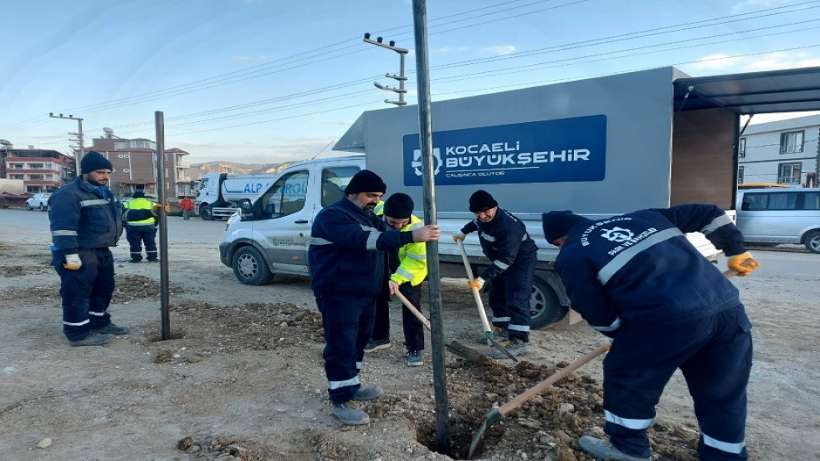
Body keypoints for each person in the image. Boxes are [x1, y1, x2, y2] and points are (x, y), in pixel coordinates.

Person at [542, 205, 760, 461]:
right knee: (722, 389)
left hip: (665, 320)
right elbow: (710, 213)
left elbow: (591, 305)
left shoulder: (572, 253)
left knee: (627, 378)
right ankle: (724, 455)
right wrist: (736, 249)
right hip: (727, 310)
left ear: (559, 240)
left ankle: (628, 449)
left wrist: (617, 334)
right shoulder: (643, 217)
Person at [308, 170, 440, 425]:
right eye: (370, 195)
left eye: (378, 196)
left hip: (363, 293)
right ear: (352, 192)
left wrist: (410, 229)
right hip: (338, 293)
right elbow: (366, 240)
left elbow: (388, 232)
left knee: (357, 342)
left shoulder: (367, 216)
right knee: (341, 344)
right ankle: (340, 398)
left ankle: (352, 384)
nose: (374, 200)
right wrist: (411, 236)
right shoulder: (333, 216)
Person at [48, 151, 128, 347]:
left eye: (108, 172)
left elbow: (116, 217)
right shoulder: (68, 195)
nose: (105, 176)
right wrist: (70, 255)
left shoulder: (104, 192)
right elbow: (63, 229)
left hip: (101, 250)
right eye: (100, 172)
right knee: (77, 292)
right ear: (86, 172)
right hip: (79, 251)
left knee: (104, 288)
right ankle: (77, 333)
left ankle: (98, 322)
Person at [453, 190, 537, 357]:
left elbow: (507, 259)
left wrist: (482, 278)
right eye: (478, 213)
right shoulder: (481, 218)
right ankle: (503, 331)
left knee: (517, 296)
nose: (483, 216)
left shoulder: (508, 227)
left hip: (520, 261)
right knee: (497, 293)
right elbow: (475, 223)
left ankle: (519, 341)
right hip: (500, 259)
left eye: (486, 211)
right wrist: (463, 232)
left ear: (495, 207)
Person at [366, 193, 428, 367]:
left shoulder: (416, 227)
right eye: (393, 223)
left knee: (411, 307)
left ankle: (415, 348)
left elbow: (415, 260)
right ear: (385, 214)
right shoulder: (375, 213)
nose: (399, 227)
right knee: (377, 298)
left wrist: (397, 279)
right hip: (384, 261)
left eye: (403, 223)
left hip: (409, 270)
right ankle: (379, 337)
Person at [123, 189, 158, 262]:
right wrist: (155, 224)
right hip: (149, 226)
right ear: (144, 196)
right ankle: (152, 257)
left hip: (133, 226)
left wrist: (125, 225)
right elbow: (157, 214)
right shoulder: (151, 203)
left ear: (134, 196)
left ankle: (136, 258)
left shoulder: (128, 203)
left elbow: (123, 215)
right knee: (150, 242)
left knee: (135, 243)